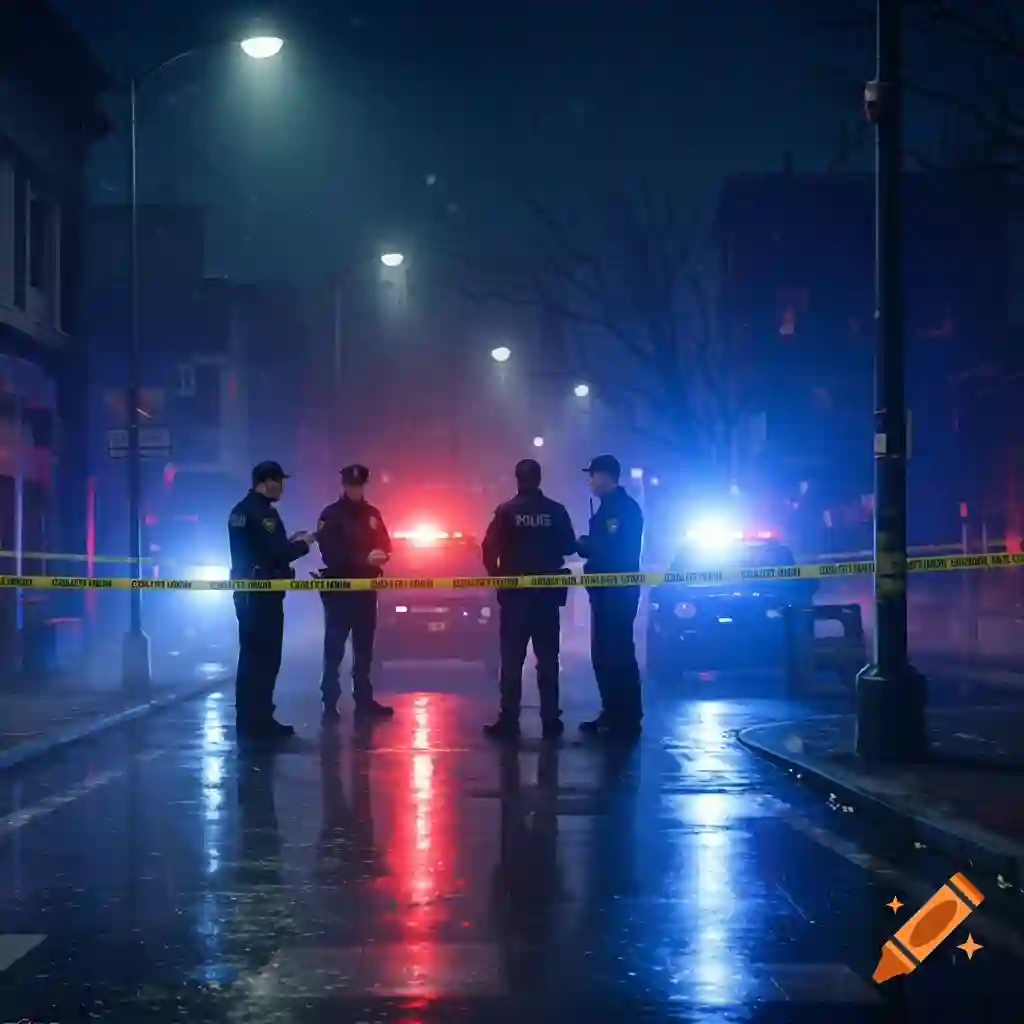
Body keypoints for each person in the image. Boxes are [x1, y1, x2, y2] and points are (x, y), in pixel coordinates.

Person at [481, 458, 577, 739]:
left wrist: (498, 577)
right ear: (539, 478)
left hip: (515, 599)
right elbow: (569, 546)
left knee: (511, 660)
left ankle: (509, 720)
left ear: (517, 478)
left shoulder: (506, 511)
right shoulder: (555, 511)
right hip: (547, 599)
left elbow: (488, 549)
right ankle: (550, 720)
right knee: (547, 660)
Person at [228, 461, 314, 740]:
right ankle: (260, 721)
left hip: (248, 594)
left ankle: (249, 719)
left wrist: (286, 544)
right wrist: (304, 544)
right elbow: (276, 554)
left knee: (250, 657)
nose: (283, 487)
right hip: (262, 596)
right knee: (265, 658)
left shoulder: (240, 510)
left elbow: (260, 550)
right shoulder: (262, 514)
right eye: (280, 481)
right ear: (266, 481)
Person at [315, 464, 394, 720]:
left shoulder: (372, 514)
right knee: (334, 648)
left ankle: (364, 700)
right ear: (344, 485)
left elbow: (386, 542)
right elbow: (330, 554)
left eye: (358, 485)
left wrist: (380, 556)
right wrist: (364, 559)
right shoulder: (331, 515)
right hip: (339, 590)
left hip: (365, 591)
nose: (354, 489)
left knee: (364, 649)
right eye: (350, 484)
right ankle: (329, 702)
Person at [577, 454, 644, 738]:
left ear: (605, 476)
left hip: (616, 593)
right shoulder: (611, 507)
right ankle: (613, 712)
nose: (590, 481)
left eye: (592, 475)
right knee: (605, 654)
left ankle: (625, 716)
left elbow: (613, 548)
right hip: (606, 592)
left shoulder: (620, 509)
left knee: (616, 654)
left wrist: (585, 545)